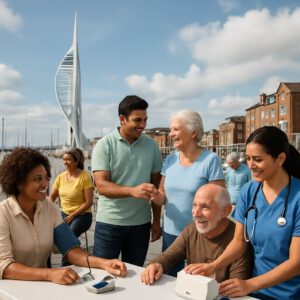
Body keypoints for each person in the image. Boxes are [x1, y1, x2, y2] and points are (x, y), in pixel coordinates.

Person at [193, 126, 300, 300]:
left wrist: (250, 284)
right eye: (248, 158)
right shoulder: (249, 191)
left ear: (280, 159)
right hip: (255, 291)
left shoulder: (297, 198)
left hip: (290, 294)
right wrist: (213, 266)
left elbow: (297, 263)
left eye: (257, 159)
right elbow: (239, 241)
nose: (250, 165)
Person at [0, 148, 126, 284]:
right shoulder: (3, 213)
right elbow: (4, 266)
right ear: (18, 183)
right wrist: (50, 273)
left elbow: (71, 250)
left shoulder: (51, 210)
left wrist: (104, 263)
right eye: (37, 179)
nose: (45, 184)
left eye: (46, 178)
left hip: (41, 288)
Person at [150, 110, 225, 276]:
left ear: (194, 133)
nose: (171, 134)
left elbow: (220, 201)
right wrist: (155, 195)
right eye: (171, 130)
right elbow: (162, 196)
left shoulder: (210, 160)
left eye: (176, 129)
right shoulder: (169, 160)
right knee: (168, 281)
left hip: (201, 235)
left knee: (197, 283)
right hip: (171, 234)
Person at [91, 95, 162, 267]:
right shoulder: (104, 145)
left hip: (141, 225)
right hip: (109, 223)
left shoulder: (152, 146)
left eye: (145, 120)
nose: (143, 125)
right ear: (122, 119)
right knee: (104, 277)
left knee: (135, 275)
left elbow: (156, 188)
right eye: (137, 120)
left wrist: (157, 221)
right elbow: (101, 186)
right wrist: (132, 191)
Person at [141, 184, 252, 285]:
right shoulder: (191, 230)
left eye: (205, 207)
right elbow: (169, 256)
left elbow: (236, 286)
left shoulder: (238, 241)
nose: (196, 213)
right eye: (194, 205)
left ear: (225, 211)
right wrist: (156, 264)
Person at [50, 148, 94, 240]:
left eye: (68, 159)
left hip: (82, 216)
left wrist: (73, 215)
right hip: (64, 215)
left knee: (67, 239)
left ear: (76, 161)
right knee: (49, 236)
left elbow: (89, 202)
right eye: (64, 159)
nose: (65, 162)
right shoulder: (60, 177)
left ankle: (70, 252)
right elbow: (51, 198)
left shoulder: (85, 177)